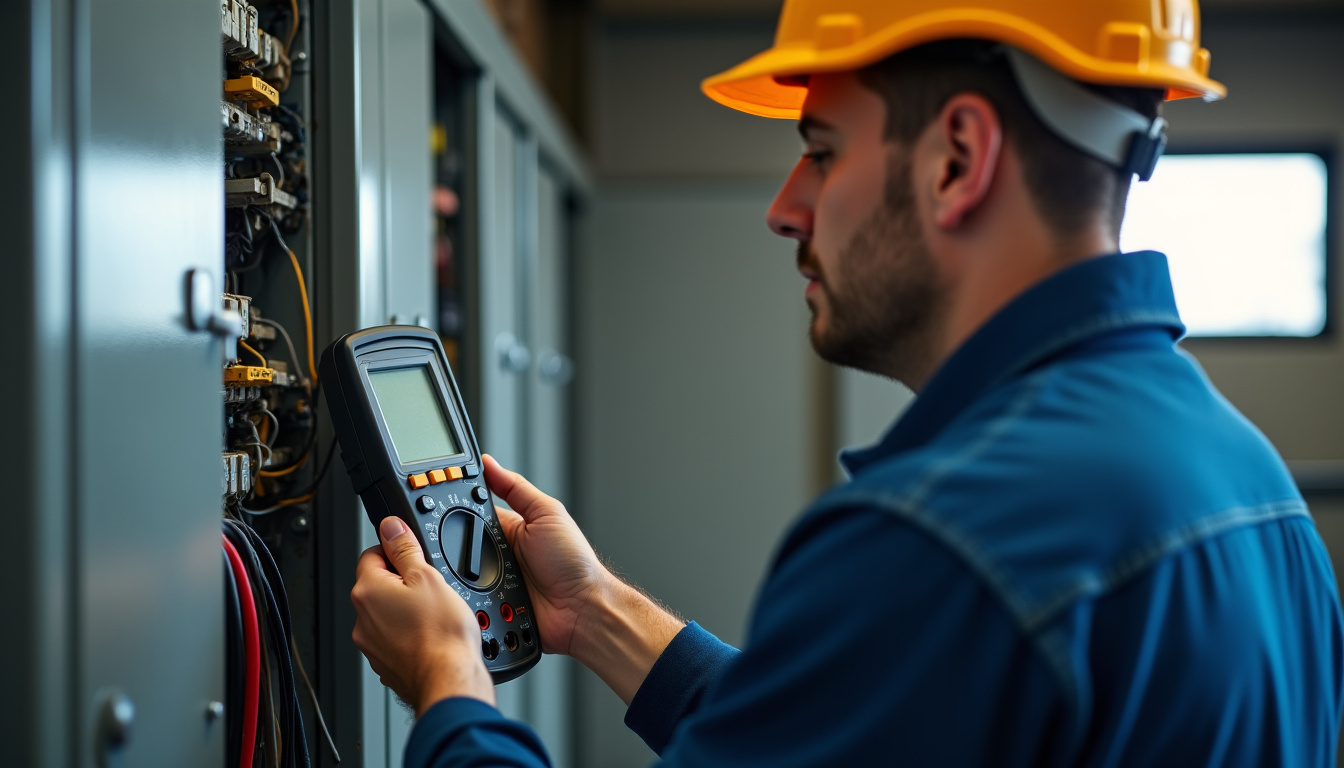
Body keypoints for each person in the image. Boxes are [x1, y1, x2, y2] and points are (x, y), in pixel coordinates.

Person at [351, 0, 1344, 764]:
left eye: (821, 152)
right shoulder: (1246, 482)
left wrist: (450, 689)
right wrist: (599, 612)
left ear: (958, 159)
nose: (786, 209)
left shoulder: (945, 535)